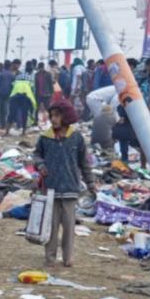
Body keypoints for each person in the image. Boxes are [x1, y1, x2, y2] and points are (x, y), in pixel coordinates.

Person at [34, 99, 95, 268]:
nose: (53, 119)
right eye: (52, 115)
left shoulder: (76, 138)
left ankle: (67, 257)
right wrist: (40, 165)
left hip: (70, 188)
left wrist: (90, 184)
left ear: (66, 117)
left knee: (69, 227)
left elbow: (84, 163)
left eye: (57, 115)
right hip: (51, 188)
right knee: (51, 226)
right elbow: (37, 155)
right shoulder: (45, 138)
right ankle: (50, 258)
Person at [0, 60, 16, 129]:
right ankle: (4, 125)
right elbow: (13, 86)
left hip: (0, 95)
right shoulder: (12, 75)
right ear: (10, 66)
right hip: (7, 95)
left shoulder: (1, 74)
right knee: (5, 111)